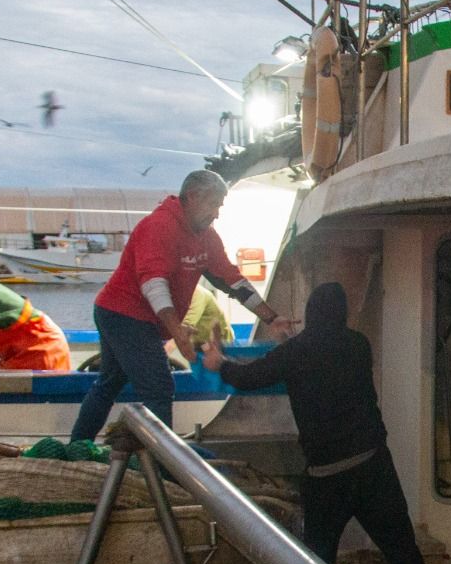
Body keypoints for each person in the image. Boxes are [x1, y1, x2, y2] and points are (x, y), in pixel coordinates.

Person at [218, 281, 451, 564]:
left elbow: (251, 377)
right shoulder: (358, 345)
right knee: (399, 543)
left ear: (310, 313)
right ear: (342, 314)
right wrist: (291, 343)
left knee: (319, 555)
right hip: (372, 464)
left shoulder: (295, 352)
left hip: (326, 474)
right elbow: (323, 359)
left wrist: (218, 364)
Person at [71, 170, 290, 441]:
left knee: (109, 383)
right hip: (122, 312)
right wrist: (176, 330)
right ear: (193, 197)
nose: (217, 214)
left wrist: (271, 317)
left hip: (141, 317)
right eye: (214, 204)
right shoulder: (158, 226)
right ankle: (162, 459)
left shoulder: (207, 237)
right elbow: (153, 283)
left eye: (220, 206)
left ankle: (78, 445)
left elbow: (232, 280)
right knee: (159, 387)